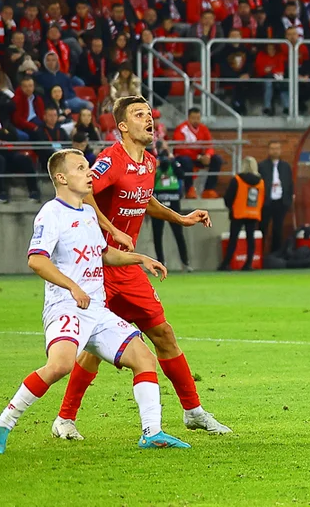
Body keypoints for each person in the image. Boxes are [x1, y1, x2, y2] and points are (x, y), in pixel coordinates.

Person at [50, 96, 230, 441]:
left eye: (149, 114)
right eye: (138, 115)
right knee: (91, 348)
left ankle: (193, 412)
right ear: (122, 126)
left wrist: (180, 217)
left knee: (163, 334)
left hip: (128, 268)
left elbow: (144, 198)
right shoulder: (108, 161)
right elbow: (84, 193)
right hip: (98, 265)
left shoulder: (148, 162)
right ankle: (64, 418)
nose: (148, 119)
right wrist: (112, 229)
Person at [0, 149, 189, 454]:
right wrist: (73, 288)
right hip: (66, 306)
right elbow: (36, 261)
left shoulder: (89, 213)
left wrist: (140, 259)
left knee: (144, 359)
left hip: (96, 309)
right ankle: (3, 423)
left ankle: (152, 432)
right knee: (60, 365)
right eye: (81, 168)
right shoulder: (51, 214)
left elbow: (103, 254)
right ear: (61, 178)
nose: (89, 173)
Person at [0, 102, 40, 201]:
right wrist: (2, 133)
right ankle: (1, 192)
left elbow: (14, 137)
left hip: (9, 153)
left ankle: (34, 191)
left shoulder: (6, 124)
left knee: (25, 159)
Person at [219, 156, 264, 271]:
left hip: (238, 212)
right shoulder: (261, 182)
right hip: (253, 213)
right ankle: (248, 264)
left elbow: (229, 197)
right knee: (251, 239)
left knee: (233, 239)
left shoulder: (237, 179)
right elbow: (263, 198)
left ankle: (226, 263)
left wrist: (230, 207)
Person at [151, 141, 190, 272]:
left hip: (173, 200)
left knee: (178, 232)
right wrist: (157, 166)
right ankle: (161, 262)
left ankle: (185, 262)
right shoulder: (152, 162)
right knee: (157, 233)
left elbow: (181, 174)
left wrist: (172, 162)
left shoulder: (174, 162)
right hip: (158, 200)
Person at [172, 107, 224, 198]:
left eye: (198, 118)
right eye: (193, 118)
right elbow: (180, 149)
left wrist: (208, 155)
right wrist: (198, 157)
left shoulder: (203, 129)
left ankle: (208, 190)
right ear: (188, 118)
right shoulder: (181, 129)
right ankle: (189, 189)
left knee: (217, 160)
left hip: (199, 157)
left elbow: (209, 145)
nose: (196, 121)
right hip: (184, 157)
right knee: (186, 161)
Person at [258, 140, 293, 256]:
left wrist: (288, 200)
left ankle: (276, 255)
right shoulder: (262, 166)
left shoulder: (285, 166)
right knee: (262, 228)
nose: (275, 151)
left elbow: (289, 183)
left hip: (281, 202)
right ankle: (259, 254)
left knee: (278, 230)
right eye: (272, 148)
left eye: (277, 148)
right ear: (268, 150)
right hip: (266, 202)